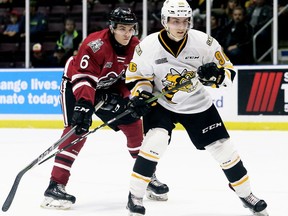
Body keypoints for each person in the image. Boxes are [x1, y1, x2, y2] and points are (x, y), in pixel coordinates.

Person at [124, 0, 268, 215]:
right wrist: (142, 94)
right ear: (164, 21)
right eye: (175, 21)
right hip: (162, 103)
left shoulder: (204, 42)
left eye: (184, 21)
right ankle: (134, 196)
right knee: (156, 142)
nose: (180, 26)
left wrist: (216, 75)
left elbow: (228, 72)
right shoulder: (148, 46)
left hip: (197, 103)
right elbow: (138, 77)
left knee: (224, 149)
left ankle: (246, 194)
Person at [41, 7, 169, 210]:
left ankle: (146, 177)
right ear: (112, 28)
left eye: (131, 29)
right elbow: (83, 78)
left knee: (134, 125)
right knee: (77, 130)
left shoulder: (137, 47)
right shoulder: (95, 44)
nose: (127, 34)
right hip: (76, 84)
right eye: (122, 29)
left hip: (107, 88)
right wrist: (84, 106)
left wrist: (135, 98)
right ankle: (55, 186)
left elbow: (132, 79)